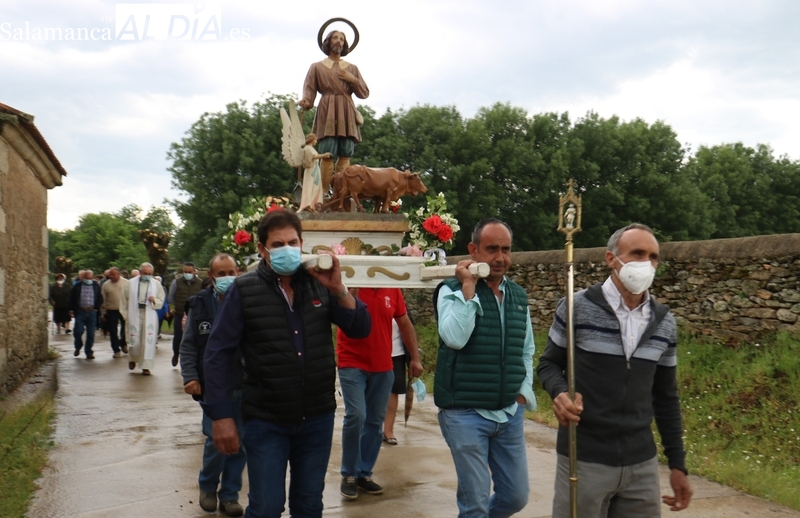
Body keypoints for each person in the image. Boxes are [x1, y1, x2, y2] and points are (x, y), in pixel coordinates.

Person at [203, 209, 371, 518]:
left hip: (316, 418)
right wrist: (221, 415)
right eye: (277, 244)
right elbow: (218, 354)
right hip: (266, 420)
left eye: (292, 242)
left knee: (309, 506)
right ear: (262, 249)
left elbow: (361, 328)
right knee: (266, 507)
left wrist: (339, 289)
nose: (286, 249)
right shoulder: (243, 290)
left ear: (302, 243)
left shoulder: (319, 284)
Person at [537, 223, 693, 517]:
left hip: (641, 465)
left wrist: (677, 465)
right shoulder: (576, 307)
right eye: (637, 253)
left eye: (653, 256)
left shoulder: (663, 323)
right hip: (584, 457)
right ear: (611, 258)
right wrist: (559, 393)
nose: (646, 263)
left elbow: (666, 397)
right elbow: (548, 364)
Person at [434, 217, 536, 518]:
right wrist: (469, 288)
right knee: (475, 503)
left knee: (516, 496)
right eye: (492, 249)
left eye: (506, 249)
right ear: (473, 250)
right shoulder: (450, 290)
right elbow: (454, 338)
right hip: (464, 413)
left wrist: (522, 393)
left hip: (508, 413)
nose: (500, 257)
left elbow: (526, 349)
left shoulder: (518, 295)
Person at [336, 288, 422, 500]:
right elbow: (340, 312)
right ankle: (349, 474)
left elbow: (404, 324)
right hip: (351, 362)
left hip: (383, 365)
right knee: (356, 415)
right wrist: (350, 290)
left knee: (375, 421)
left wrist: (415, 357)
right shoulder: (351, 285)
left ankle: (363, 473)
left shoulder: (392, 289)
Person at [180, 253, 246, 517]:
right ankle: (207, 486)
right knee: (216, 440)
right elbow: (189, 345)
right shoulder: (200, 304)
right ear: (211, 276)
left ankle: (230, 495)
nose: (227, 278)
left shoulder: (247, 301)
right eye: (221, 274)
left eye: (231, 272)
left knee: (241, 442)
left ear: (238, 272)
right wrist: (190, 376)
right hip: (212, 386)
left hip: (243, 382)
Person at [299, 29, 369, 195]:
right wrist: (306, 101)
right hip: (327, 109)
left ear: (345, 44)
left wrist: (353, 80)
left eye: (342, 39)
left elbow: (364, 93)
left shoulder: (352, 68)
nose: (339, 41)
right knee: (327, 152)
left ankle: (340, 192)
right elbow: (309, 90)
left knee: (345, 152)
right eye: (335, 38)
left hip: (346, 111)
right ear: (328, 42)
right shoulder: (317, 67)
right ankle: (323, 192)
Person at [120, 262, 165, 376]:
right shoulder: (130, 284)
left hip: (149, 313)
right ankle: (133, 359)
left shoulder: (156, 284)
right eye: (145, 273)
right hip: (134, 313)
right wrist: (126, 315)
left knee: (147, 340)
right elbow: (123, 300)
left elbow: (161, 299)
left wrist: (154, 300)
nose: (147, 275)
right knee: (135, 340)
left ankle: (146, 366)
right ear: (140, 272)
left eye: (149, 274)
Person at [382, 315, 415, 445]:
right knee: (371, 391)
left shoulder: (399, 301)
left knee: (393, 391)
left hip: (396, 354)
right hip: (374, 353)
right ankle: (371, 429)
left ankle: (388, 431)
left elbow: (408, 328)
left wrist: (413, 358)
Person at [169, 261, 201, 367]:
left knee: (194, 337)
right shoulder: (176, 282)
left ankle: (192, 360)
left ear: (194, 271)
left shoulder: (200, 283)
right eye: (185, 271)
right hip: (180, 314)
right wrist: (175, 307)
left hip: (194, 315)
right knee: (178, 337)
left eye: (189, 272)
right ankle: (176, 354)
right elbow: (171, 297)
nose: (187, 274)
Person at [68, 269, 103, 359]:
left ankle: (89, 351)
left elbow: (100, 298)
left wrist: (96, 307)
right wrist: (71, 309)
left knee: (91, 333)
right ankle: (78, 346)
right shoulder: (77, 286)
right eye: (86, 278)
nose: (88, 279)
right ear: (83, 277)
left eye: (90, 278)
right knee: (78, 331)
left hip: (92, 312)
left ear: (92, 277)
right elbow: (71, 298)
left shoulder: (96, 286)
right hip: (80, 311)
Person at [298, 134, 331, 212]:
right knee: (309, 187)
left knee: (315, 187)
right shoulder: (307, 148)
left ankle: (313, 204)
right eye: (315, 140)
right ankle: (307, 204)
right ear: (312, 140)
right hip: (311, 169)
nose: (316, 141)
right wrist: (324, 155)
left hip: (315, 169)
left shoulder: (311, 148)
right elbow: (313, 157)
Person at [101, 267, 129, 357]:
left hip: (124, 309)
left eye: (114, 275)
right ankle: (116, 349)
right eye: (110, 275)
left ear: (119, 274)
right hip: (112, 310)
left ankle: (123, 343)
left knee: (125, 329)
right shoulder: (106, 285)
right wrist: (103, 312)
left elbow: (130, 296)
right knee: (113, 330)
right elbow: (103, 299)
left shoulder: (126, 283)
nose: (112, 277)